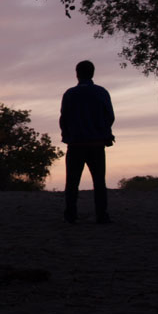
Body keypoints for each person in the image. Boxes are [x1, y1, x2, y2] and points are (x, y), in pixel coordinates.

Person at [59, 60, 115, 224]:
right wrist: (104, 133)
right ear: (92, 73)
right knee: (99, 181)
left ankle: (70, 214)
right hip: (96, 144)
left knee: (72, 182)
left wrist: (67, 135)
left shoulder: (69, 94)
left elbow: (64, 118)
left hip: (75, 144)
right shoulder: (101, 92)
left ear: (77, 73)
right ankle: (101, 215)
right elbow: (109, 116)